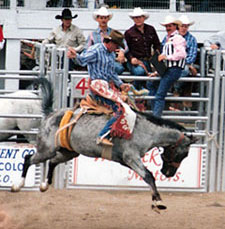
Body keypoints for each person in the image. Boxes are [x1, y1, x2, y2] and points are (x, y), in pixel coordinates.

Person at [67, 30, 135, 146]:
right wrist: (75, 57)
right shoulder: (96, 50)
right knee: (120, 109)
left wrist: (120, 84)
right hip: (97, 85)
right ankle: (102, 135)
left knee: (124, 105)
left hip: (105, 86)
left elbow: (111, 73)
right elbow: (83, 61)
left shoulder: (111, 53)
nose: (117, 48)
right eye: (116, 45)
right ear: (111, 43)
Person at [146, 15, 186, 117]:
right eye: (167, 26)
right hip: (169, 69)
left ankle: (156, 118)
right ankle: (155, 114)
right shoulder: (170, 39)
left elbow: (182, 54)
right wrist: (157, 72)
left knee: (159, 95)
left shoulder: (177, 38)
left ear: (175, 26)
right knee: (152, 85)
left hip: (173, 69)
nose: (168, 28)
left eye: (170, 26)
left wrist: (166, 57)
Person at [124, 7, 160, 90]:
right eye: (135, 17)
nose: (138, 19)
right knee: (140, 73)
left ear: (144, 18)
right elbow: (126, 49)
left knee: (154, 78)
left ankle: (140, 93)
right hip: (136, 61)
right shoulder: (129, 32)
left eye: (139, 17)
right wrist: (131, 58)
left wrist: (157, 55)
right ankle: (134, 90)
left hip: (148, 60)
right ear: (133, 19)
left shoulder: (151, 29)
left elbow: (157, 44)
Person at [84, 6, 126, 75]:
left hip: (111, 60)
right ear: (97, 19)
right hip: (97, 61)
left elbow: (124, 45)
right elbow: (87, 49)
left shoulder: (113, 32)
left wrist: (122, 51)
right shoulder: (92, 34)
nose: (103, 20)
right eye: (101, 18)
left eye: (105, 18)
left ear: (108, 19)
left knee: (119, 68)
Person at [172, 15, 198, 110]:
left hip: (184, 64)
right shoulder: (172, 36)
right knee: (187, 72)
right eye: (182, 26)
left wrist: (184, 62)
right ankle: (184, 93)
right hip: (173, 63)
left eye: (186, 26)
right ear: (178, 26)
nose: (184, 28)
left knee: (186, 70)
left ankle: (176, 89)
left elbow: (192, 55)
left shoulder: (191, 39)